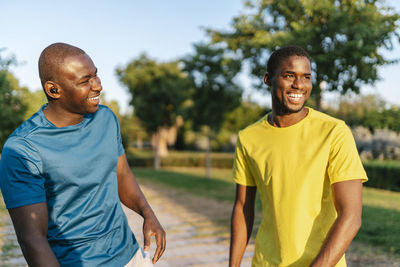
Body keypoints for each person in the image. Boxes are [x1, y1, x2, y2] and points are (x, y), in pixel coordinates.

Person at [0, 42, 166, 267]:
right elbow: (32, 239)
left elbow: (122, 175)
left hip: (131, 255)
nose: (98, 86)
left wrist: (148, 214)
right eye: (85, 80)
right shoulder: (23, 149)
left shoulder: (106, 119)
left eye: (96, 75)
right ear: (53, 89)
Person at [229, 45, 367, 267]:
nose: (299, 85)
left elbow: (351, 217)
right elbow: (243, 208)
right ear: (268, 79)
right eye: (289, 75)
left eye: (306, 77)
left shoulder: (334, 131)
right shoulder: (248, 137)